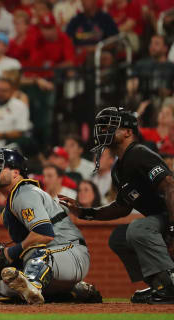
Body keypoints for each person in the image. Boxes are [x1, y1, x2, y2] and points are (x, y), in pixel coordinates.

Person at [60, 107, 174, 304]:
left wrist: (173, 228)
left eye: (110, 127)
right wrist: (85, 212)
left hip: (170, 216)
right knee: (119, 238)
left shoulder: (139, 153)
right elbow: (122, 207)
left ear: (128, 132)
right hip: (162, 218)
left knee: (138, 228)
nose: (103, 131)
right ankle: (159, 283)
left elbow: (170, 187)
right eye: (102, 127)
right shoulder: (118, 168)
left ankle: (169, 285)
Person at [0, 148, 100, 304]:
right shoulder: (12, 204)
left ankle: (34, 286)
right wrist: (5, 263)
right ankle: (72, 291)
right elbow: (26, 247)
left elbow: (44, 234)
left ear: (15, 173)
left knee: (37, 257)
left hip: (71, 252)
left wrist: (8, 253)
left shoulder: (25, 193)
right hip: (50, 261)